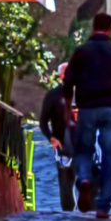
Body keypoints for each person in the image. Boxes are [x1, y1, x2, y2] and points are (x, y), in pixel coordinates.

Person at [64, 11, 111, 218]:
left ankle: (85, 179)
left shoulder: (80, 52)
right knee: (109, 156)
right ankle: (103, 205)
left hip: (86, 109)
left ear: (93, 28)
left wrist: (69, 109)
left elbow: (68, 82)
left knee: (84, 151)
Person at [37, 64, 77, 211]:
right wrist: (51, 138)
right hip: (63, 146)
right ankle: (68, 216)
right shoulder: (53, 96)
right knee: (66, 184)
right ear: (61, 76)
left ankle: (89, 217)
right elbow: (43, 122)